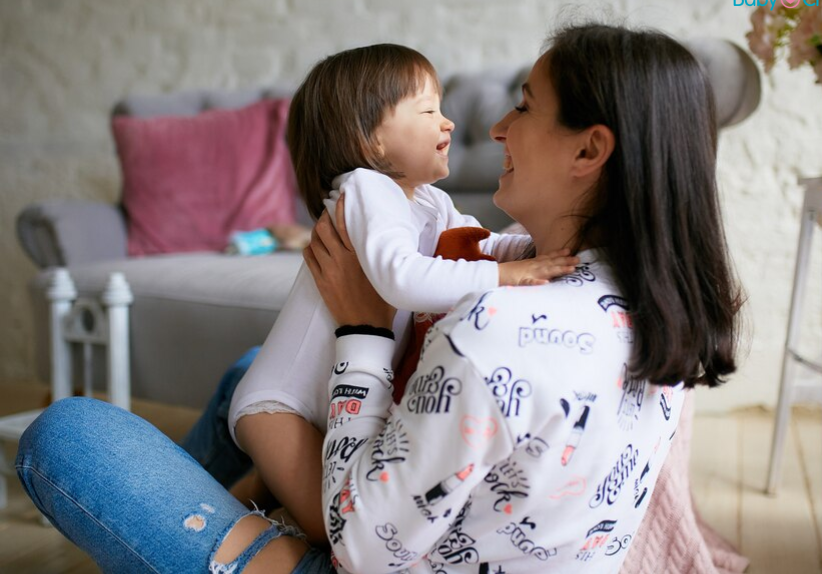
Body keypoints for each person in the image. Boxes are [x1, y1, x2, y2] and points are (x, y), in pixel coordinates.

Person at [16, 21, 743, 573]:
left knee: (68, 434)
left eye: (523, 107)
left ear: (589, 151)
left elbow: (364, 549)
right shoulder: (651, 293)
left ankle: (192, 524)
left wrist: (361, 330)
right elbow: (469, 256)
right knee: (248, 372)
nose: (494, 128)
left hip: (371, 550)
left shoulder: (500, 322)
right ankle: (188, 513)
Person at [225, 43, 578, 545]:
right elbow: (403, 279)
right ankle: (210, 520)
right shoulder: (367, 189)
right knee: (330, 535)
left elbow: (481, 246)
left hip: (326, 403)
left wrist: (546, 253)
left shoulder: (429, 201)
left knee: (276, 497)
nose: (449, 123)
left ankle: (243, 496)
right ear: (371, 142)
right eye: (429, 110)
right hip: (278, 408)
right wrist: (510, 276)